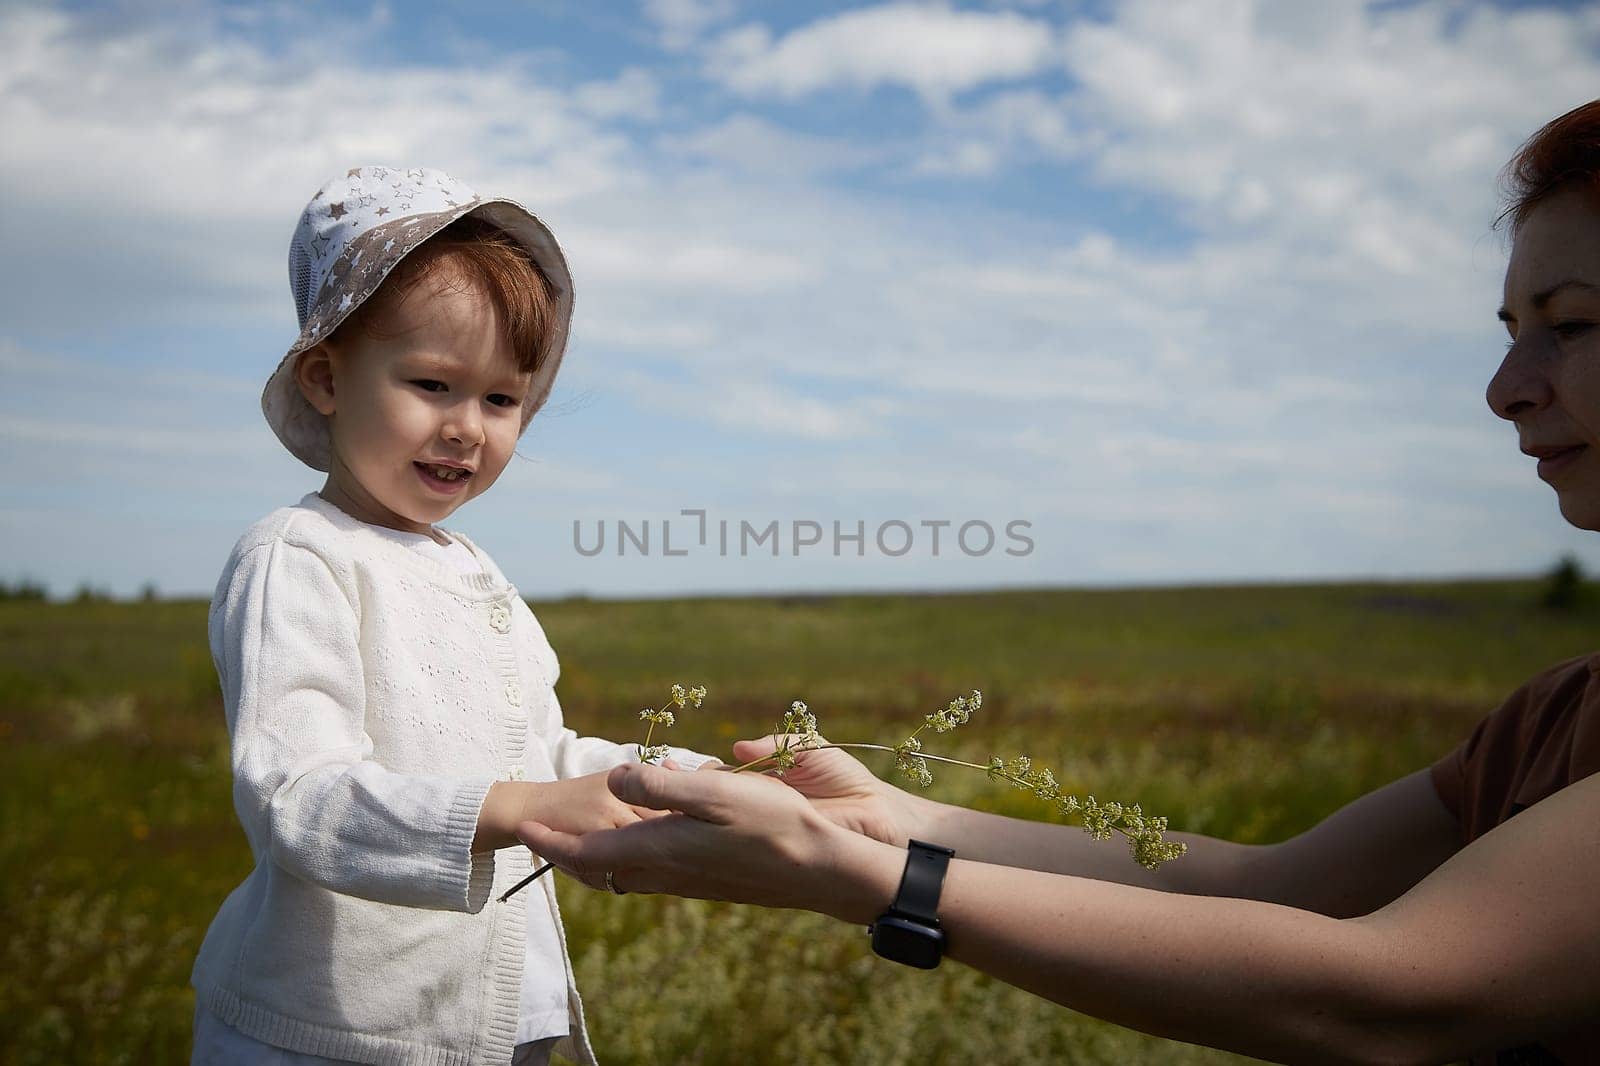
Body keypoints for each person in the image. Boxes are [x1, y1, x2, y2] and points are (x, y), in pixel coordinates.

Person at [519, 101, 1600, 1064]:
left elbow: (1399, 999)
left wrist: (865, 882)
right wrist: (892, 818)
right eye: (1511, 332)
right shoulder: (1553, 715)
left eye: (1573, 324)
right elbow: (1276, 888)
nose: (1505, 388)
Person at [189, 166, 714, 1066]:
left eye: (502, 399)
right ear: (325, 376)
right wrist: (519, 807)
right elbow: (297, 794)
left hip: (497, 1018)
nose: (469, 427)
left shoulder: (476, 573)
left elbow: (539, 755)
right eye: (432, 384)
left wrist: (675, 780)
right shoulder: (300, 555)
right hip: (331, 1031)